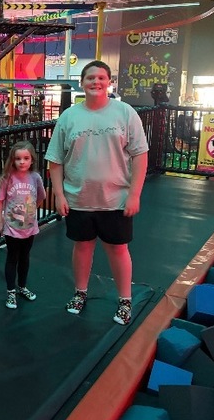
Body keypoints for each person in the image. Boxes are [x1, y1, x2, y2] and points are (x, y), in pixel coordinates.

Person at [46, 60, 149, 326]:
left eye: (101, 78)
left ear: (109, 82)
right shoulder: (69, 117)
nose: (96, 82)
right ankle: (80, 293)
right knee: (82, 247)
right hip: (78, 198)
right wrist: (59, 194)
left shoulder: (125, 113)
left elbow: (140, 156)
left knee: (118, 249)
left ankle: (125, 299)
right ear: (82, 83)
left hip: (115, 199)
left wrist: (135, 194)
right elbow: (55, 161)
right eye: (90, 78)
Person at [0, 140, 46, 309]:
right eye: (18, 158)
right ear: (13, 160)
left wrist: (31, 211)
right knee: (12, 257)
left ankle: (22, 286)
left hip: (29, 227)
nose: (22, 162)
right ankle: (11, 291)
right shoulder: (7, 178)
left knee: (25, 258)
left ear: (32, 159)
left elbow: (41, 196)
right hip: (12, 227)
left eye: (26, 158)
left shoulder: (35, 177)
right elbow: (0, 199)